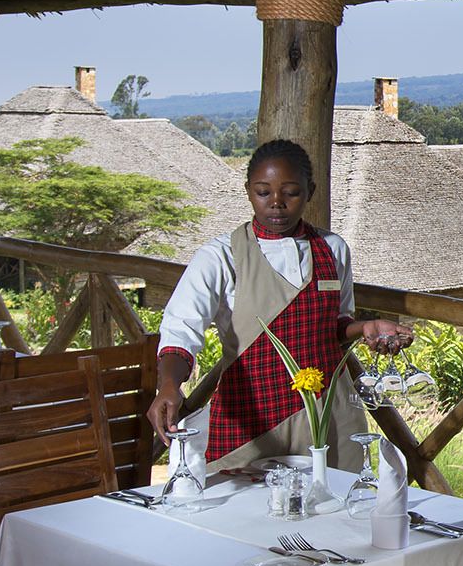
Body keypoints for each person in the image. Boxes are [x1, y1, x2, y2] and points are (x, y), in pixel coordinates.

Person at [151, 139, 413, 475]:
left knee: (335, 509)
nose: (276, 203)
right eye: (263, 192)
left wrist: (364, 328)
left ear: (310, 191)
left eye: (290, 192)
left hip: (328, 413)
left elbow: (334, 325)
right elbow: (180, 331)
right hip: (252, 415)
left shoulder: (333, 250)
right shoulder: (220, 257)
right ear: (248, 191)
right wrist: (170, 385)